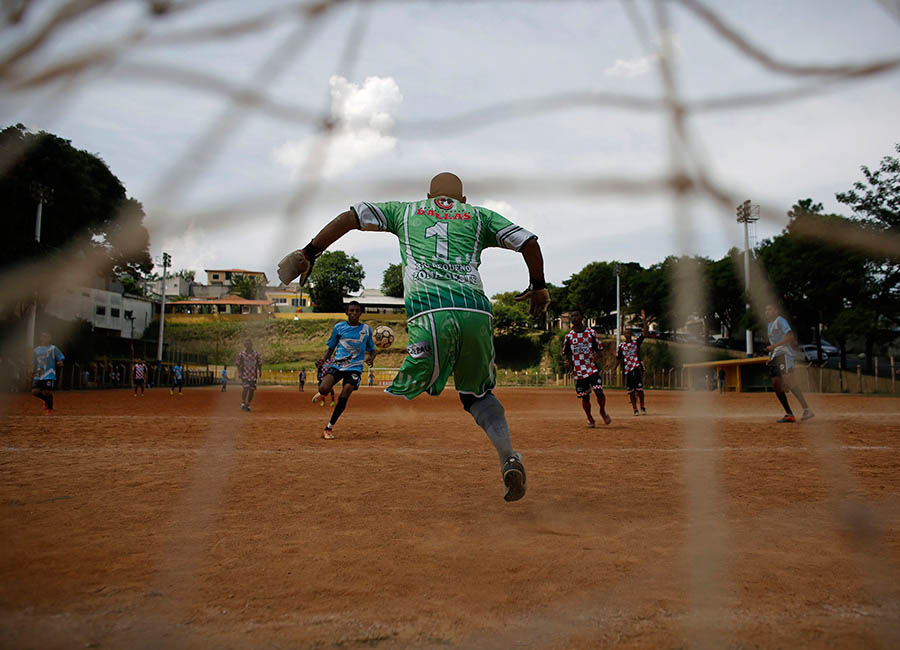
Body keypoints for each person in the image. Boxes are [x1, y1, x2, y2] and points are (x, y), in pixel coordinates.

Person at [278, 172, 549, 502]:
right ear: (461, 200)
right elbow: (529, 243)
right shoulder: (479, 216)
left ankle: (395, 388)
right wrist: (538, 287)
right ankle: (508, 456)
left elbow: (350, 217)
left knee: (411, 385)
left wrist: (309, 252)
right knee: (476, 395)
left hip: (429, 312)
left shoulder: (405, 211)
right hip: (476, 312)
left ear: (428, 196)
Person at [313, 301, 376, 439]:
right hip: (338, 365)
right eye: (351, 310)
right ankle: (322, 393)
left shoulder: (366, 329)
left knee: (344, 394)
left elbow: (372, 349)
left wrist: (371, 358)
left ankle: (329, 428)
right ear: (346, 312)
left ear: (360, 313)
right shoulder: (339, 328)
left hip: (355, 367)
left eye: (357, 311)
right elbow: (331, 347)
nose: (354, 313)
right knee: (323, 388)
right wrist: (323, 360)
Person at [765, 304, 814, 422]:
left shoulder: (780, 321)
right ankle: (789, 414)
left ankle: (807, 409)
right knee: (776, 384)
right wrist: (771, 357)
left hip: (784, 355)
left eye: (769, 309)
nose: (767, 312)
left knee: (789, 381)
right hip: (776, 356)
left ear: (776, 311)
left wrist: (773, 347)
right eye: (766, 310)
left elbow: (790, 337)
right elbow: (774, 344)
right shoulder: (769, 325)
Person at [562, 308, 611, 427]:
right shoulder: (569, 336)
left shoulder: (591, 333)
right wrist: (566, 361)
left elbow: (599, 349)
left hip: (591, 368)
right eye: (572, 316)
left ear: (582, 317)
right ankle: (590, 417)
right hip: (579, 371)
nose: (574, 318)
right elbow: (565, 352)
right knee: (585, 397)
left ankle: (602, 411)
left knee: (599, 391)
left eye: (576, 315)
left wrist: (596, 355)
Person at [615, 310, 648, 415]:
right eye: (625, 334)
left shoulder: (636, 343)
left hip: (636, 367)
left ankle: (642, 406)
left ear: (631, 334)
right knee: (631, 391)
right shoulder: (621, 346)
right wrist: (614, 368)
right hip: (627, 370)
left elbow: (645, 333)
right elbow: (618, 358)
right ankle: (635, 409)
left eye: (629, 333)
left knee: (639, 389)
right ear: (624, 335)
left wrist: (644, 321)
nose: (627, 335)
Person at [31, 332, 64, 414]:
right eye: (43, 337)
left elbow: (60, 357)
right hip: (39, 372)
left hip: (49, 372)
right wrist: (31, 370)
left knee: (47, 392)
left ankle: (50, 408)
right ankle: (46, 400)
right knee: (35, 391)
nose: (45, 338)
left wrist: (60, 362)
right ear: (40, 338)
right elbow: (34, 362)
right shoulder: (36, 350)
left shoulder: (53, 348)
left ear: (50, 338)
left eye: (47, 337)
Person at [237, 339, 262, 411]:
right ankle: (243, 402)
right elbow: (238, 364)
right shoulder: (242, 354)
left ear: (252, 345)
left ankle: (248, 404)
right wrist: (239, 372)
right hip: (245, 374)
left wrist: (260, 371)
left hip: (253, 375)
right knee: (245, 388)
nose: (248, 346)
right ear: (245, 345)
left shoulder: (256, 354)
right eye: (246, 344)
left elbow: (259, 363)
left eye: (249, 344)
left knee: (252, 390)